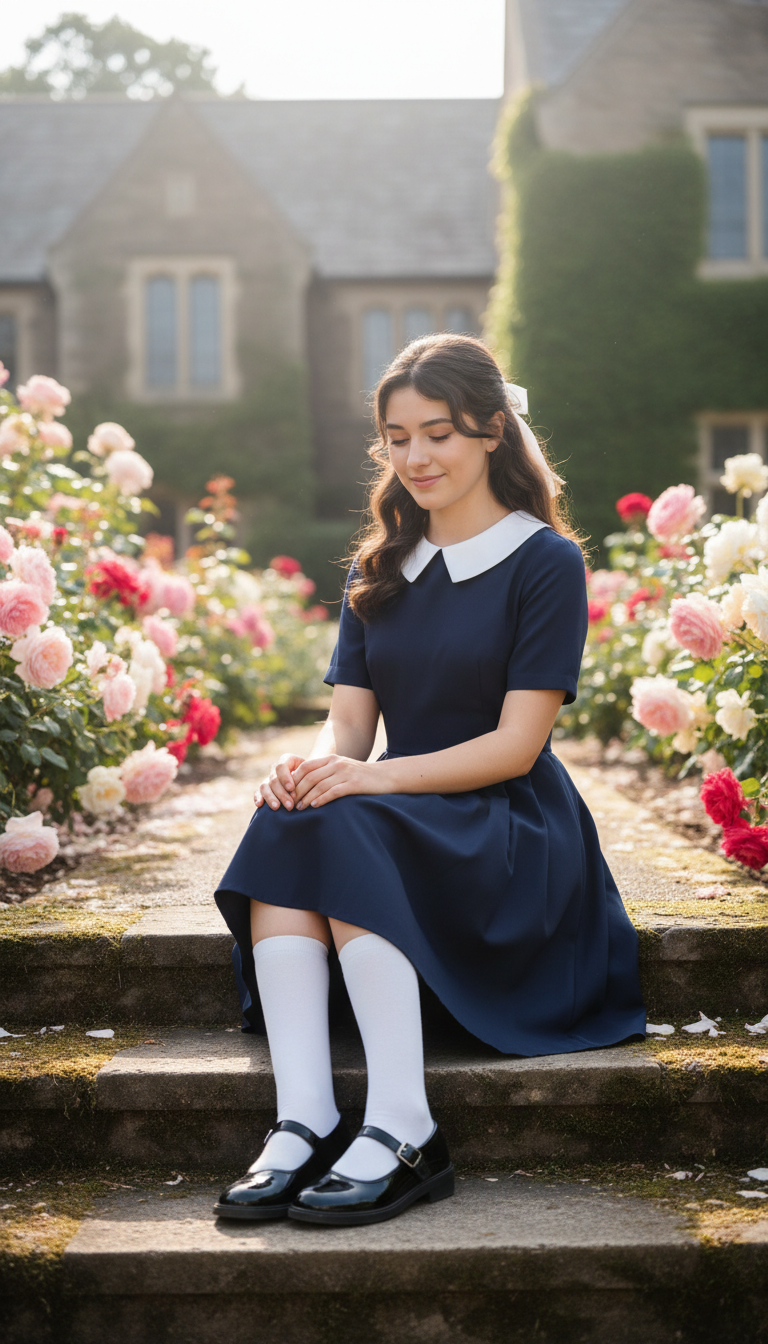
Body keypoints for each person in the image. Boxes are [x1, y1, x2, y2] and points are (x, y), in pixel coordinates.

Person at [213, 334, 646, 1228]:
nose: (416, 457)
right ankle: (305, 1118)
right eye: (397, 437)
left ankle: (407, 1126)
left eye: (439, 434)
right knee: (291, 814)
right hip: (413, 809)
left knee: (345, 814)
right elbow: (355, 731)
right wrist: (313, 768)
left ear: (492, 430)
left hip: (509, 825)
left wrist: (364, 783)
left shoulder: (546, 563)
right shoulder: (378, 570)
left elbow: (516, 748)